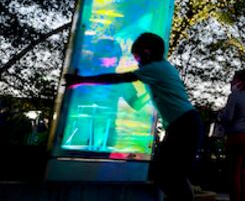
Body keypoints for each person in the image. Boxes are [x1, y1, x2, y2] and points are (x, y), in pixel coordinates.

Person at [65, 32, 203, 201]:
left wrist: (80, 80)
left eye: (137, 58)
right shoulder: (163, 68)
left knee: (166, 173)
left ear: (147, 53)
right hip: (184, 125)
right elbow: (136, 100)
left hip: (184, 125)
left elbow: (119, 78)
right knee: (169, 173)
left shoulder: (155, 68)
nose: (137, 63)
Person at [220, 69, 245, 201]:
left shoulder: (235, 95)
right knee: (242, 173)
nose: (232, 81)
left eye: (234, 79)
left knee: (234, 173)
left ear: (240, 82)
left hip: (236, 137)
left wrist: (221, 115)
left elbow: (228, 117)